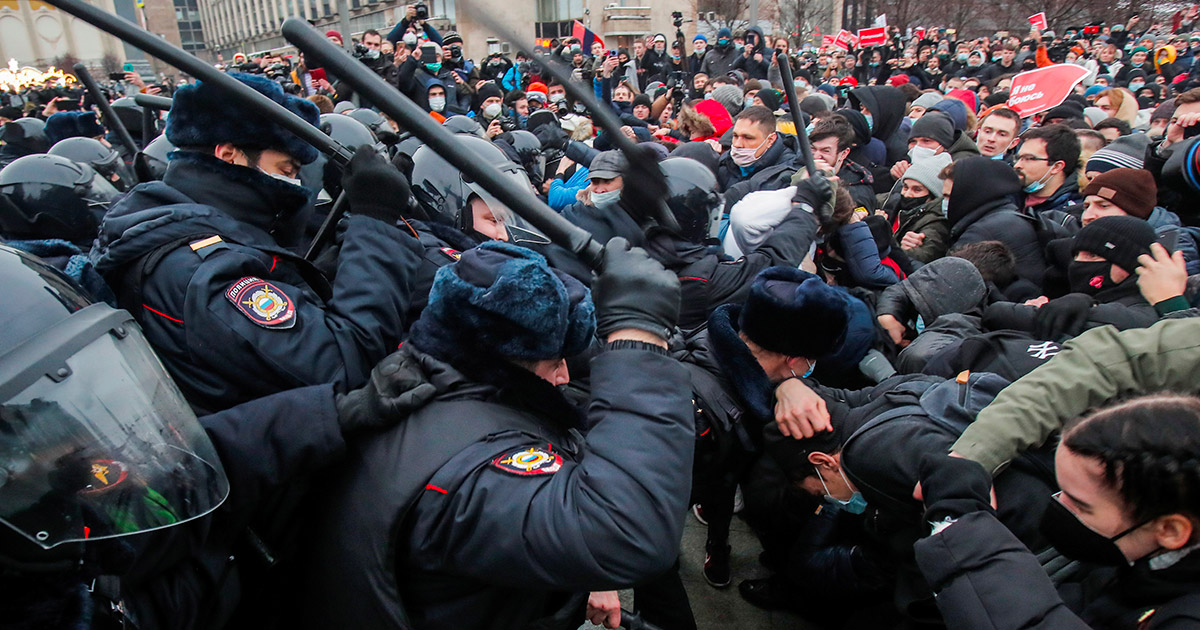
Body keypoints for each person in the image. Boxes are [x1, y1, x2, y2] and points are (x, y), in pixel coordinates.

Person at [291, 238, 695, 630]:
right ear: (501, 359)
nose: (565, 375)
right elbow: (626, 533)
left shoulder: (413, 380)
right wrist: (639, 337)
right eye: (553, 362)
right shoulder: (471, 471)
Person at [90, 73, 423, 413]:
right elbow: (345, 368)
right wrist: (375, 221)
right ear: (228, 153)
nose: (294, 184)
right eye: (286, 168)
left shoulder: (189, 228)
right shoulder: (205, 270)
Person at [915, 393, 1200, 628]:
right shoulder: (1148, 559)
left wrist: (958, 528)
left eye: (1079, 504)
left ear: (1170, 530)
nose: (1056, 504)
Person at [718, 105, 797, 190]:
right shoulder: (725, 162)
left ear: (770, 140)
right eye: (735, 136)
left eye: (748, 137)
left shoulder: (788, 172)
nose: (738, 144)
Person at [1015, 124, 1083, 216]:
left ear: (1056, 167)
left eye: (1029, 158)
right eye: (1018, 158)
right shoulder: (1008, 195)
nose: (1017, 165)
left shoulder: (1072, 211)